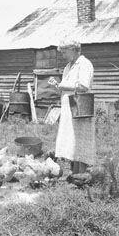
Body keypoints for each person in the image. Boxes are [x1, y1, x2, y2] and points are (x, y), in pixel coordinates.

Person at [49, 37, 95, 175]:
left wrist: (62, 85)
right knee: (71, 140)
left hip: (80, 107)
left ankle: (81, 174)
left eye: (64, 52)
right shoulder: (68, 67)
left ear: (74, 50)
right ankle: (75, 173)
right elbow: (65, 88)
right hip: (69, 108)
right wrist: (57, 85)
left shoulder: (84, 64)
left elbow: (82, 86)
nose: (63, 55)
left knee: (80, 140)